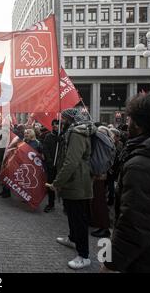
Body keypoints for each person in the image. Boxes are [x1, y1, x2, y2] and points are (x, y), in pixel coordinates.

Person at [101, 93, 150, 273]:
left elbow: (133, 227)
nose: (127, 124)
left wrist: (109, 263)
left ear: (139, 124)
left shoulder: (144, 165)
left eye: (130, 120)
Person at [46, 108, 96, 270]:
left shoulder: (76, 133)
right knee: (71, 213)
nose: (62, 122)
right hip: (73, 181)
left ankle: (84, 255)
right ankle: (72, 238)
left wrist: (57, 182)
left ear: (70, 119)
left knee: (78, 218)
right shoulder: (74, 132)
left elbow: (71, 161)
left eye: (64, 119)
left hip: (76, 182)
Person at [89, 126, 114, 238]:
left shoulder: (101, 140)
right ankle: (98, 223)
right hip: (101, 173)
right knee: (98, 200)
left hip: (99, 174)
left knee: (99, 201)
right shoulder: (108, 142)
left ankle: (105, 227)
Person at [42, 120, 59, 213]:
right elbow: (45, 149)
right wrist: (49, 161)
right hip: (51, 164)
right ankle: (51, 203)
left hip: (61, 165)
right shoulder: (48, 136)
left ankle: (65, 205)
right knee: (50, 184)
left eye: (58, 124)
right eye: (54, 124)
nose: (56, 126)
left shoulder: (63, 136)